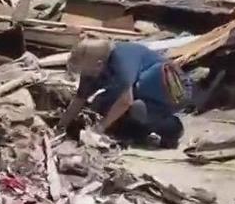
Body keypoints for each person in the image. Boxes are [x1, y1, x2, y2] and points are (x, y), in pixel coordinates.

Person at [57, 37, 190, 148]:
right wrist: (61, 126)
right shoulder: (93, 68)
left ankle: (171, 128)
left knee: (136, 108)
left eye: (84, 71)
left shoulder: (122, 63)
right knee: (100, 105)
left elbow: (125, 101)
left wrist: (98, 129)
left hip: (172, 90)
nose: (84, 75)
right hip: (138, 91)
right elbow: (80, 99)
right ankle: (135, 130)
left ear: (98, 65)